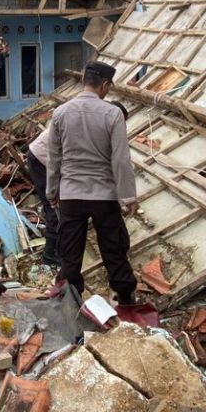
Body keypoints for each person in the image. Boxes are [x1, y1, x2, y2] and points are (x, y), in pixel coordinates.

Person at [47, 61, 139, 305]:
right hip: (104, 196)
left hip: (71, 194)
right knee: (113, 249)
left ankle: (71, 300)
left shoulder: (61, 113)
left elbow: (54, 157)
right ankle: (126, 298)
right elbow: (120, 158)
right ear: (105, 85)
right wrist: (128, 196)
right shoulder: (112, 113)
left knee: (70, 252)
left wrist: (52, 191)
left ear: (84, 81)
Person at [26, 99, 129, 269]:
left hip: (48, 157)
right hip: (43, 159)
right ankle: (50, 255)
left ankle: (56, 252)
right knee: (55, 209)